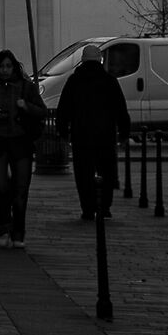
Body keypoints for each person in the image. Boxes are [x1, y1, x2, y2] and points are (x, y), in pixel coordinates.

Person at [0, 48, 47, 249]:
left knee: (21, 190)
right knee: (1, 187)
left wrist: (26, 107)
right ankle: (4, 227)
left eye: (8, 66)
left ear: (14, 67)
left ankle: (18, 232)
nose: (5, 70)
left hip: (21, 141)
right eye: (2, 66)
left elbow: (41, 111)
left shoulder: (25, 87)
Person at [54, 42, 131, 224]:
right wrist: (124, 133)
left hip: (82, 134)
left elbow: (64, 108)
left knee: (83, 173)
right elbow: (120, 109)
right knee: (106, 170)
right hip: (105, 134)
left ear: (82, 61)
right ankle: (104, 207)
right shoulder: (109, 81)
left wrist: (63, 132)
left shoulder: (74, 81)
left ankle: (87, 208)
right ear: (100, 60)